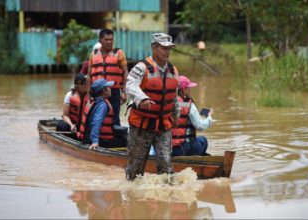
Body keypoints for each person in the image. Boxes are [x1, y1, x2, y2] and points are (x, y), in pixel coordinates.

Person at [125, 33, 180, 181]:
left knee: (166, 164)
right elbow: (130, 84)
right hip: (141, 125)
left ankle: (167, 197)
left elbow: (173, 96)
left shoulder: (173, 71)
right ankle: (133, 198)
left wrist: (176, 115)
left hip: (164, 125)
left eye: (169, 49)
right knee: (135, 168)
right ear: (154, 47)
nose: (167, 52)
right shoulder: (141, 67)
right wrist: (141, 98)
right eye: (164, 48)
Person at [88, 28, 128, 126]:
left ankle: (115, 139)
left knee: (114, 117)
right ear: (100, 40)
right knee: (96, 116)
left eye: (111, 39)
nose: (109, 42)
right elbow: (89, 74)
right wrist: (88, 92)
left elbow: (125, 73)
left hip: (113, 91)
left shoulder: (119, 53)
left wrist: (124, 92)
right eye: (106, 39)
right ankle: (96, 137)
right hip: (97, 91)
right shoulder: (93, 54)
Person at [77, 79, 127, 150]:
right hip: (99, 140)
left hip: (87, 137)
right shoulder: (102, 105)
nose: (110, 89)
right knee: (126, 140)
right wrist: (95, 141)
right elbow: (96, 122)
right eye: (109, 87)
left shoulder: (94, 100)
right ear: (104, 90)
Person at [171, 75, 213, 156]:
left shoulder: (167, 102)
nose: (190, 90)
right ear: (183, 89)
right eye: (189, 87)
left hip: (167, 148)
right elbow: (200, 126)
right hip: (183, 149)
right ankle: (195, 161)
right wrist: (209, 117)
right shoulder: (188, 105)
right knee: (203, 140)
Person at [56, 73, 89, 138]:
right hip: (72, 124)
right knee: (61, 125)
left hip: (84, 125)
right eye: (87, 83)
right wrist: (71, 125)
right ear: (79, 84)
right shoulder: (69, 95)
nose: (88, 85)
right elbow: (65, 115)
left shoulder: (90, 96)